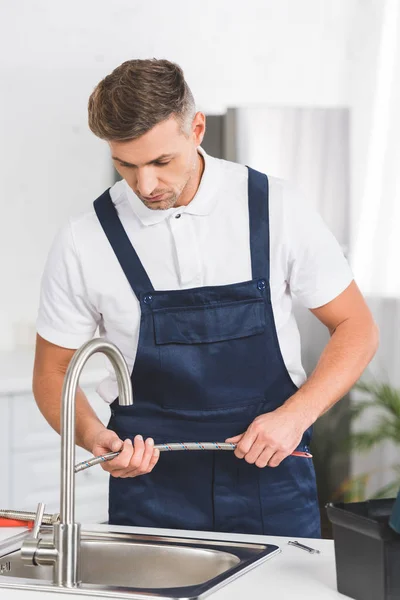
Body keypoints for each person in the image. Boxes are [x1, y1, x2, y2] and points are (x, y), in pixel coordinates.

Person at [33, 58, 379, 538]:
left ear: (196, 129)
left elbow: (356, 326)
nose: (145, 186)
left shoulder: (277, 206)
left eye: (161, 162)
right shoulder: (84, 237)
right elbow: (51, 373)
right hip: (150, 492)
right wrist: (95, 439)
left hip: (271, 479)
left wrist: (296, 416)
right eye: (126, 165)